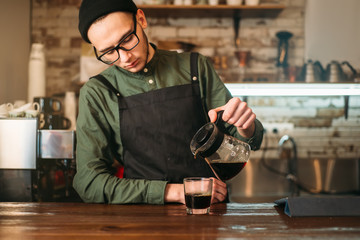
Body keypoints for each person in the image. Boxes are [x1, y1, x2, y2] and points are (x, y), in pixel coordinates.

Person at [73, 0, 264, 205]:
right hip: (139, 220)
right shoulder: (97, 92)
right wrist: (173, 191)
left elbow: (247, 143)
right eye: (108, 52)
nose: (124, 57)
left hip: (207, 212)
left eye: (128, 39)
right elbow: (88, 182)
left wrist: (246, 126)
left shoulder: (195, 68)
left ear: (141, 19)